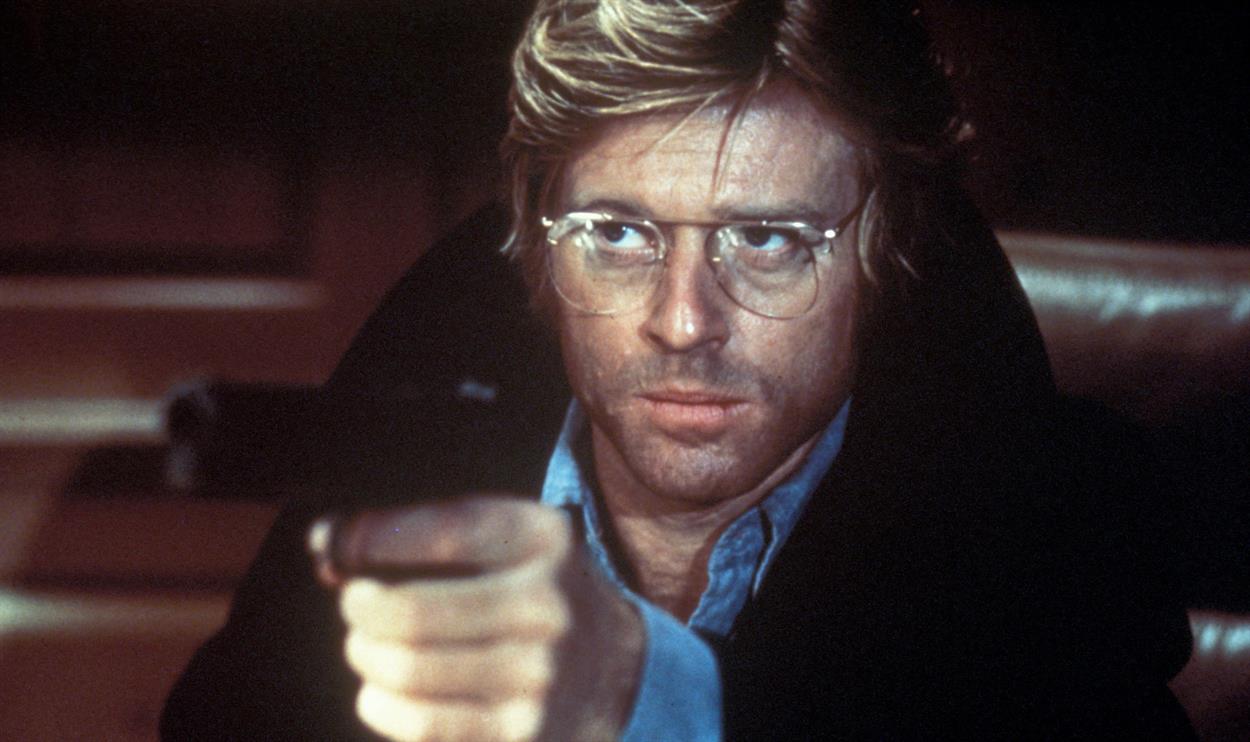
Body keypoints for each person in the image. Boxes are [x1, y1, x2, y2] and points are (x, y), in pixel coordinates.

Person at [162, 1, 1195, 739]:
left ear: (885, 260)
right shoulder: (397, 481)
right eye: (616, 235)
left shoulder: (1057, 542)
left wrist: (652, 698)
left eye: (769, 241)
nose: (683, 321)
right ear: (539, 248)